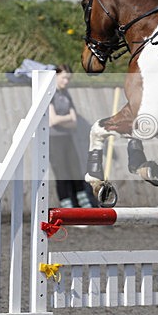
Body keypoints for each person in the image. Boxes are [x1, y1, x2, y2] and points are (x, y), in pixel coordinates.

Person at [49, 64, 95, 209]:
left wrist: (64, 120)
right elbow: (52, 121)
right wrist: (67, 118)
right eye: (64, 78)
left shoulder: (66, 94)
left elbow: (74, 122)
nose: (66, 82)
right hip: (54, 139)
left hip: (68, 137)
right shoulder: (50, 95)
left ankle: (84, 204)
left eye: (68, 79)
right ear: (56, 76)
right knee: (62, 174)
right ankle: (67, 205)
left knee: (76, 171)